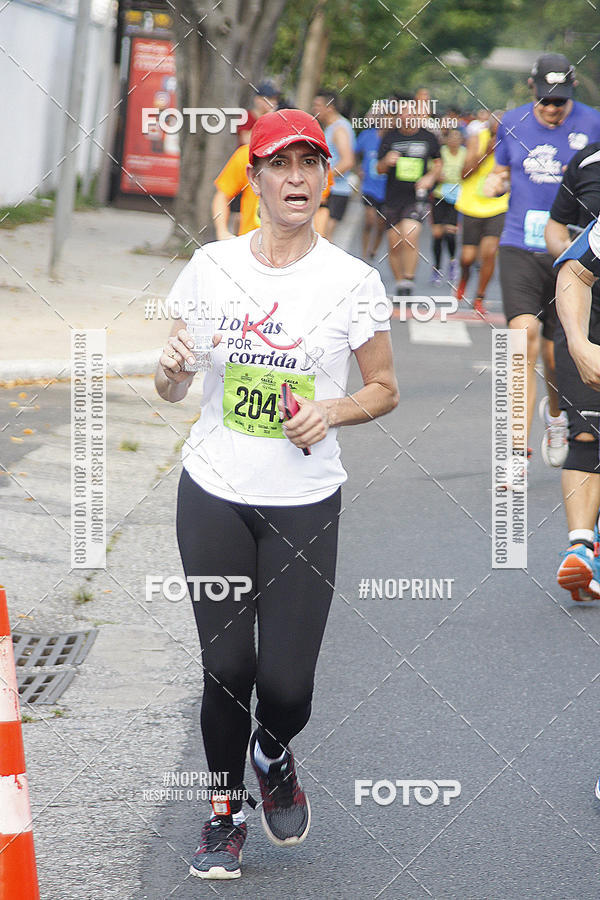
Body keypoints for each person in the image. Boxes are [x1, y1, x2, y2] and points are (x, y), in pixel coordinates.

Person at [155, 108, 399, 880]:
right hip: (215, 489)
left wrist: (332, 409)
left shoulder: (352, 281)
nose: (296, 177)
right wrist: (170, 369)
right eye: (279, 164)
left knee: (286, 685)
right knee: (226, 666)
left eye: (309, 163)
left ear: (325, 176)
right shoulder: (212, 268)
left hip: (303, 500)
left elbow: (386, 388)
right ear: (254, 178)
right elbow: (172, 388)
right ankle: (223, 814)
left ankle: (272, 748)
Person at [486, 53, 600, 476]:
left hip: (574, 256)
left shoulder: (593, 123)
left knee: (558, 353)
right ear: (532, 89)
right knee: (522, 339)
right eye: (547, 100)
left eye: (562, 101)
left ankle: (555, 415)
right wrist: (496, 182)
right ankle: (515, 451)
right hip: (519, 245)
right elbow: (499, 172)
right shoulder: (511, 121)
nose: (554, 109)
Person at [545, 142, 600, 602]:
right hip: (592, 322)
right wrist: (580, 344)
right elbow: (574, 271)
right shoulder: (586, 160)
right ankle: (582, 547)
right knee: (588, 435)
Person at [377, 93, 442, 296]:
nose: (406, 117)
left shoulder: (428, 137)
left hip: (417, 196)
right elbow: (378, 169)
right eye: (402, 114)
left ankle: (409, 279)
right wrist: (386, 161)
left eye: (411, 113)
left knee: (410, 235)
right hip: (393, 196)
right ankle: (399, 281)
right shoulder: (389, 137)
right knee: (394, 242)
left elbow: (439, 163)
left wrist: (430, 177)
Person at [454, 110, 508, 311]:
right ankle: (464, 278)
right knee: (468, 257)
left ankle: (479, 297)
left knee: (489, 253)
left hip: (498, 206)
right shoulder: (477, 139)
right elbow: (464, 173)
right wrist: (487, 152)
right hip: (472, 205)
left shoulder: (513, 144)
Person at [313, 90, 356, 239]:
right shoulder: (331, 127)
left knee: (323, 240)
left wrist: (324, 179)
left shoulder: (339, 129)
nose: (315, 110)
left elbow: (347, 161)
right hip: (330, 190)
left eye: (318, 106)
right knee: (320, 238)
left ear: (330, 108)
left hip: (336, 191)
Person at [429, 128, 466, 285]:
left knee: (450, 233)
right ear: (446, 140)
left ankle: (452, 261)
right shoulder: (441, 152)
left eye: (457, 138)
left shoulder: (465, 153)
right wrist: (438, 175)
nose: (454, 141)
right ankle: (437, 267)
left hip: (458, 195)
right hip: (440, 194)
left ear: (461, 140)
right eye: (451, 138)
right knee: (437, 234)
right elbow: (432, 169)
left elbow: (470, 171)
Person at [355, 114, 387, 259]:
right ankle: (363, 253)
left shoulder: (394, 138)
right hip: (369, 186)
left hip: (387, 188)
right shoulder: (367, 135)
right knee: (369, 220)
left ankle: (374, 249)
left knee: (381, 224)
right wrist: (358, 168)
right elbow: (355, 153)